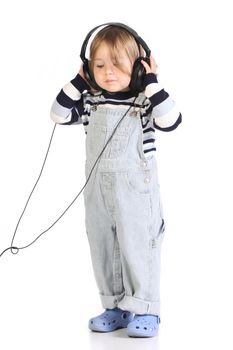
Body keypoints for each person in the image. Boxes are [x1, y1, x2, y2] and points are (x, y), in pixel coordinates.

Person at [50, 23, 182, 338]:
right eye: (98, 66)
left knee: (138, 245)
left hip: (137, 189)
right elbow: (57, 113)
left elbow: (172, 120)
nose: (108, 72)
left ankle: (146, 308)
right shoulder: (91, 101)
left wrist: (150, 83)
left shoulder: (145, 101)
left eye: (119, 65)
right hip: (97, 190)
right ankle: (115, 306)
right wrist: (78, 80)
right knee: (103, 245)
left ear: (137, 68)